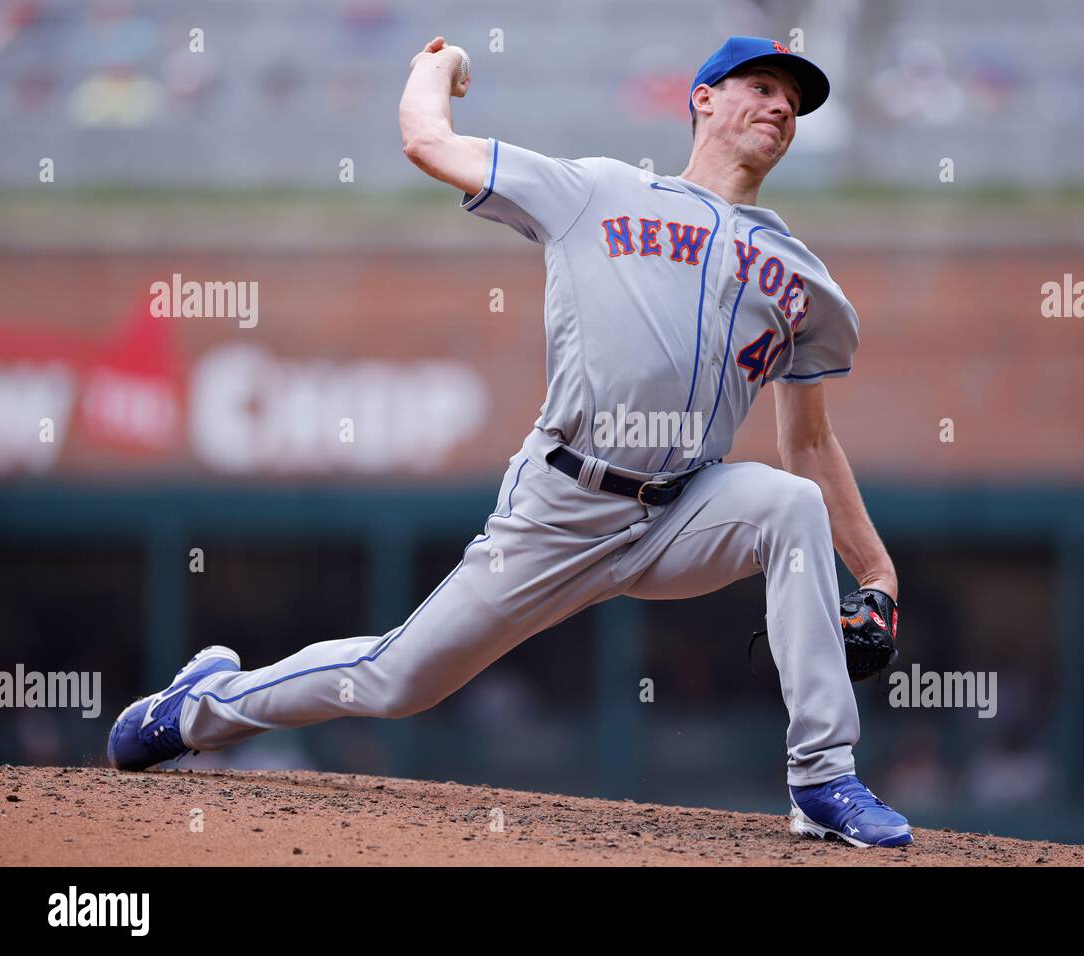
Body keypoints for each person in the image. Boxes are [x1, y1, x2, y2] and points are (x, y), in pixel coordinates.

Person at [107, 35, 912, 848]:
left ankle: (822, 778)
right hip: (562, 504)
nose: (781, 107)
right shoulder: (595, 190)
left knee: (788, 503)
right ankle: (200, 704)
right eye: (763, 86)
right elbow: (428, 141)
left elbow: (807, 444)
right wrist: (434, 66)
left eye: (795, 102)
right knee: (395, 680)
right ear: (702, 98)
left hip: (683, 511)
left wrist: (876, 573)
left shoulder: (803, 280)